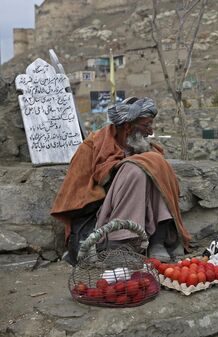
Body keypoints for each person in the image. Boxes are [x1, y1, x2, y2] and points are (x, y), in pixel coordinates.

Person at [51, 97, 191, 264]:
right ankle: (119, 243)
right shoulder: (91, 148)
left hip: (141, 218)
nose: (150, 132)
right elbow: (74, 197)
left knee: (154, 164)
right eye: (146, 125)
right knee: (136, 169)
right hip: (101, 220)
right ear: (128, 127)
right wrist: (117, 179)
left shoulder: (146, 149)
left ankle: (157, 240)